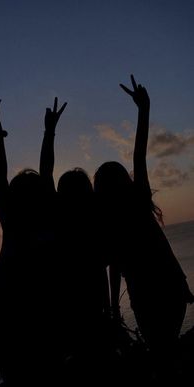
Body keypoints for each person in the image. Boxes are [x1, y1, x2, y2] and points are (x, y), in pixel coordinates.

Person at [0, 99, 66, 386]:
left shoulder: (25, 222)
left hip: (9, 312)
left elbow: (17, 175)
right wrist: (0, 133)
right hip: (6, 312)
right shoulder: (26, 224)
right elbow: (17, 175)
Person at [94, 75, 194, 379]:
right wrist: (143, 109)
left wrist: (113, 308)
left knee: (162, 353)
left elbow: (113, 268)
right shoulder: (135, 205)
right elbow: (139, 155)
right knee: (167, 350)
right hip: (170, 288)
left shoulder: (114, 221)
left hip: (151, 295)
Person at [40, 98, 111, 383]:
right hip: (93, 311)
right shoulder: (95, 224)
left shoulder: (60, 221)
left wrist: (49, 131)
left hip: (66, 313)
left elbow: (45, 173)